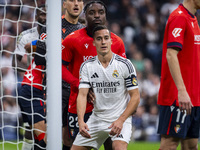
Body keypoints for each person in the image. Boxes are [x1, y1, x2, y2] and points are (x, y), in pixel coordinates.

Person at [62, 1, 126, 149]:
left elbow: (123, 74)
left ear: (106, 16)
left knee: (112, 146)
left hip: (109, 108)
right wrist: (78, 84)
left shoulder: (117, 42)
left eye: (100, 12)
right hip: (80, 106)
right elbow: (60, 67)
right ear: (85, 16)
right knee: (73, 145)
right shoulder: (72, 39)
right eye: (92, 13)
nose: (97, 16)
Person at [71, 25, 140, 150]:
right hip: (97, 119)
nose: (103, 42)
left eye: (106, 38)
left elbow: (135, 96)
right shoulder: (87, 66)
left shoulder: (125, 64)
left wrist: (121, 120)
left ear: (111, 41)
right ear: (93, 42)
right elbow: (82, 95)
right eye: (99, 39)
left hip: (120, 118)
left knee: (118, 148)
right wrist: (80, 121)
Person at [34, 0, 84, 149]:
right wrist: (63, 56)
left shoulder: (84, 30)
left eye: (79, 0)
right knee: (51, 137)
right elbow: (38, 58)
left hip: (76, 91)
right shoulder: (52, 26)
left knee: (69, 139)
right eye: (72, 0)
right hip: (56, 90)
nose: (76, 4)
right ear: (64, 5)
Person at [157, 0, 200, 150]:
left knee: (191, 146)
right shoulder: (179, 17)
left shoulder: (193, 19)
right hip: (177, 96)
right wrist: (182, 91)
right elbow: (171, 54)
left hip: (193, 97)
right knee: (169, 145)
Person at [12, 5, 46, 150]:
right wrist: (32, 71)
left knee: (41, 128)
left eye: (48, 15)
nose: (45, 18)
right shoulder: (26, 36)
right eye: (42, 14)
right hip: (32, 85)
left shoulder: (59, 34)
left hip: (52, 84)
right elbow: (15, 62)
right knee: (30, 129)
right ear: (36, 17)